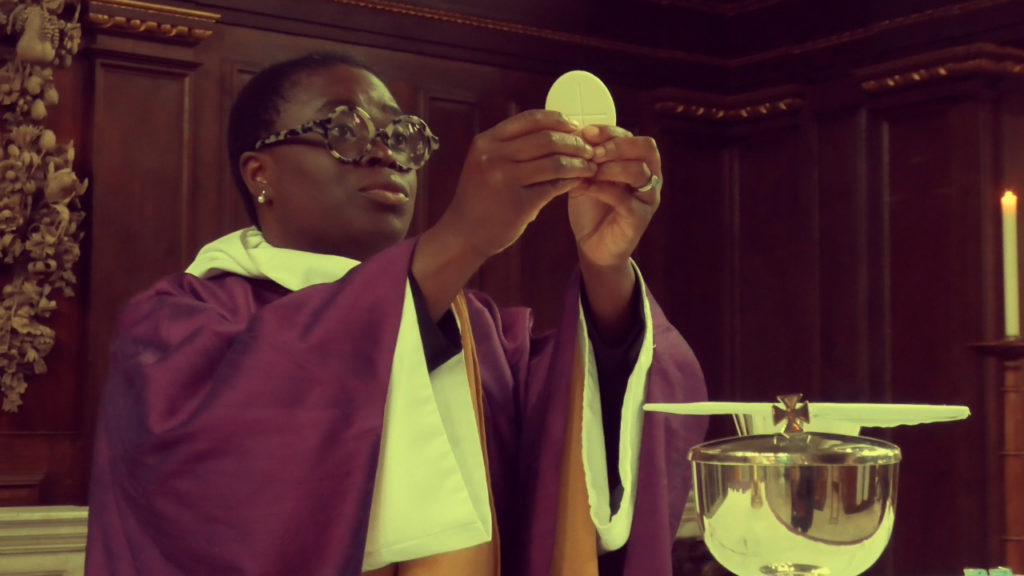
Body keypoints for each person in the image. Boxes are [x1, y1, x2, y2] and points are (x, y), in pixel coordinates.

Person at [84, 51, 707, 576]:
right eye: (345, 131)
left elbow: (568, 464)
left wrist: (605, 266)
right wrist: (462, 237)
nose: (385, 154)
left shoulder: (479, 327)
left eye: (403, 137)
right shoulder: (179, 321)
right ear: (259, 173)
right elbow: (215, 485)